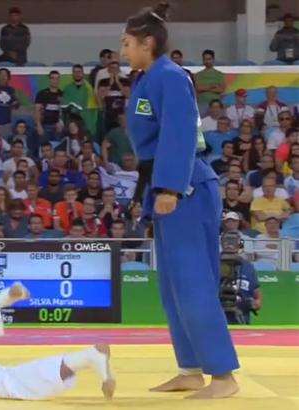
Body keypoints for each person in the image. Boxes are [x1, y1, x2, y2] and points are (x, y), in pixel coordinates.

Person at [121, 2, 239, 398]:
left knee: (193, 282)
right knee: (173, 288)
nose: (123, 50)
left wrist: (171, 187)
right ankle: (190, 369)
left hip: (186, 187)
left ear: (147, 42)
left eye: (127, 43)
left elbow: (180, 132)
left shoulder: (170, 76)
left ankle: (223, 376)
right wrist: (153, 191)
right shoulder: (147, 79)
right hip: (164, 185)